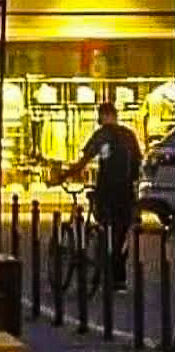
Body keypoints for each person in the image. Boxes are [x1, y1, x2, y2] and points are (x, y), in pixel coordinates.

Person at [59, 100, 143, 288]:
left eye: (100, 115)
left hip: (106, 190)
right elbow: (138, 164)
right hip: (126, 191)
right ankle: (119, 276)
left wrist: (64, 176)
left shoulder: (102, 135)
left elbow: (85, 160)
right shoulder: (129, 135)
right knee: (121, 232)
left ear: (105, 115)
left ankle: (103, 261)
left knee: (105, 225)